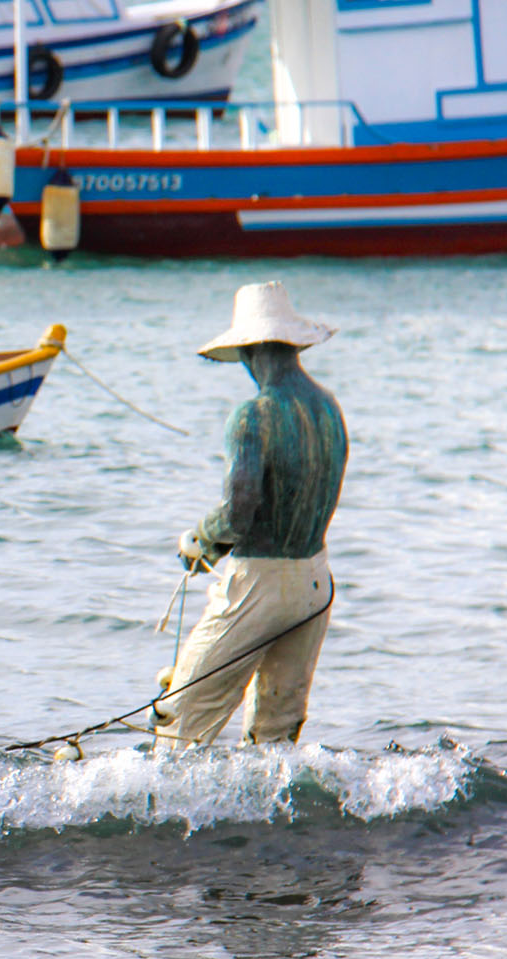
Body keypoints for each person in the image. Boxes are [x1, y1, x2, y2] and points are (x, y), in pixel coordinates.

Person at [152, 282, 348, 749]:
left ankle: (162, 817)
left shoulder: (251, 415)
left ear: (249, 348)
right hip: (315, 582)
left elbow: (239, 512)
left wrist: (201, 539)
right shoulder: (329, 408)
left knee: (180, 721)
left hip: (257, 584)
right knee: (276, 738)